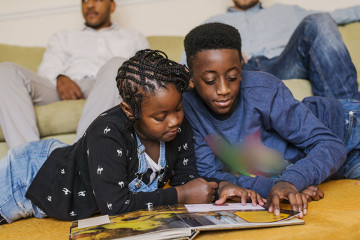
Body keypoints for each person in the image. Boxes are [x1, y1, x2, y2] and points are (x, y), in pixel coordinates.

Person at [0, 49, 263, 225]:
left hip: (69, 169)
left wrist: (218, 187)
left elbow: (186, 179)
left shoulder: (178, 125)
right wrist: (181, 195)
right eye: (160, 117)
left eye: (178, 109)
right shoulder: (107, 133)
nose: (174, 121)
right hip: (27, 175)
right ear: (129, 110)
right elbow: (116, 205)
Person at [182, 22, 360, 217]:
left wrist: (291, 181)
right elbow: (211, 175)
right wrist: (278, 185)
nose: (223, 89)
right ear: (191, 77)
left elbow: (331, 144)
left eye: (232, 77)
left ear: (241, 67)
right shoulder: (187, 110)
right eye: (210, 80)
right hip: (332, 168)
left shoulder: (264, 89)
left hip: (346, 127)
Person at [0, 0, 149, 148]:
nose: (89, 5)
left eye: (97, 0)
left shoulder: (133, 37)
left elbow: (146, 74)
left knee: (118, 65)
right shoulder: (63, 36)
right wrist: (60, 77)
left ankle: (78, 157)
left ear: (112, 6)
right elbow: (47, 68)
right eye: (85, 1)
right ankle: (28, 159)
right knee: (5, 71)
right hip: (66, 88)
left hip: (109, 87)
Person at [180, 0, 360, 99]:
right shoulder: (213, 22)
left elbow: (336, 16)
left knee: (320, 20)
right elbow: (188, 60)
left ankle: (351, 114)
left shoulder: (287, 10)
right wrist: (227, 52)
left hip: (286, 63)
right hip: (242, 69)